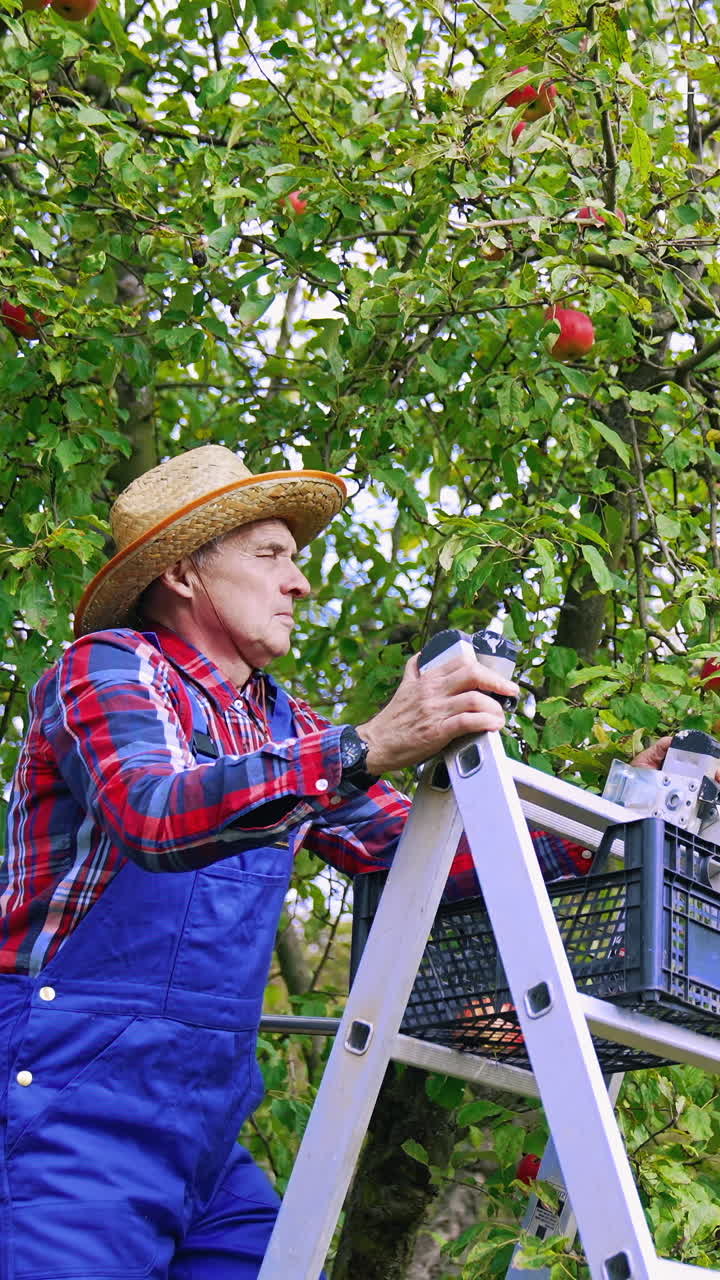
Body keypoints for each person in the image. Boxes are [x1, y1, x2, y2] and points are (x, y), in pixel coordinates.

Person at [0, 444, 591, 1280]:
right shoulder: (106, 668)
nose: (299, 583)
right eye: (271, 555)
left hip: (202, 1129)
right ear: (182, 574)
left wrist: (613, 831)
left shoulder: (282, 727)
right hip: (66, 1106)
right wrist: (371, 742)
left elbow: (424, 856)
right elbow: (154, 813)